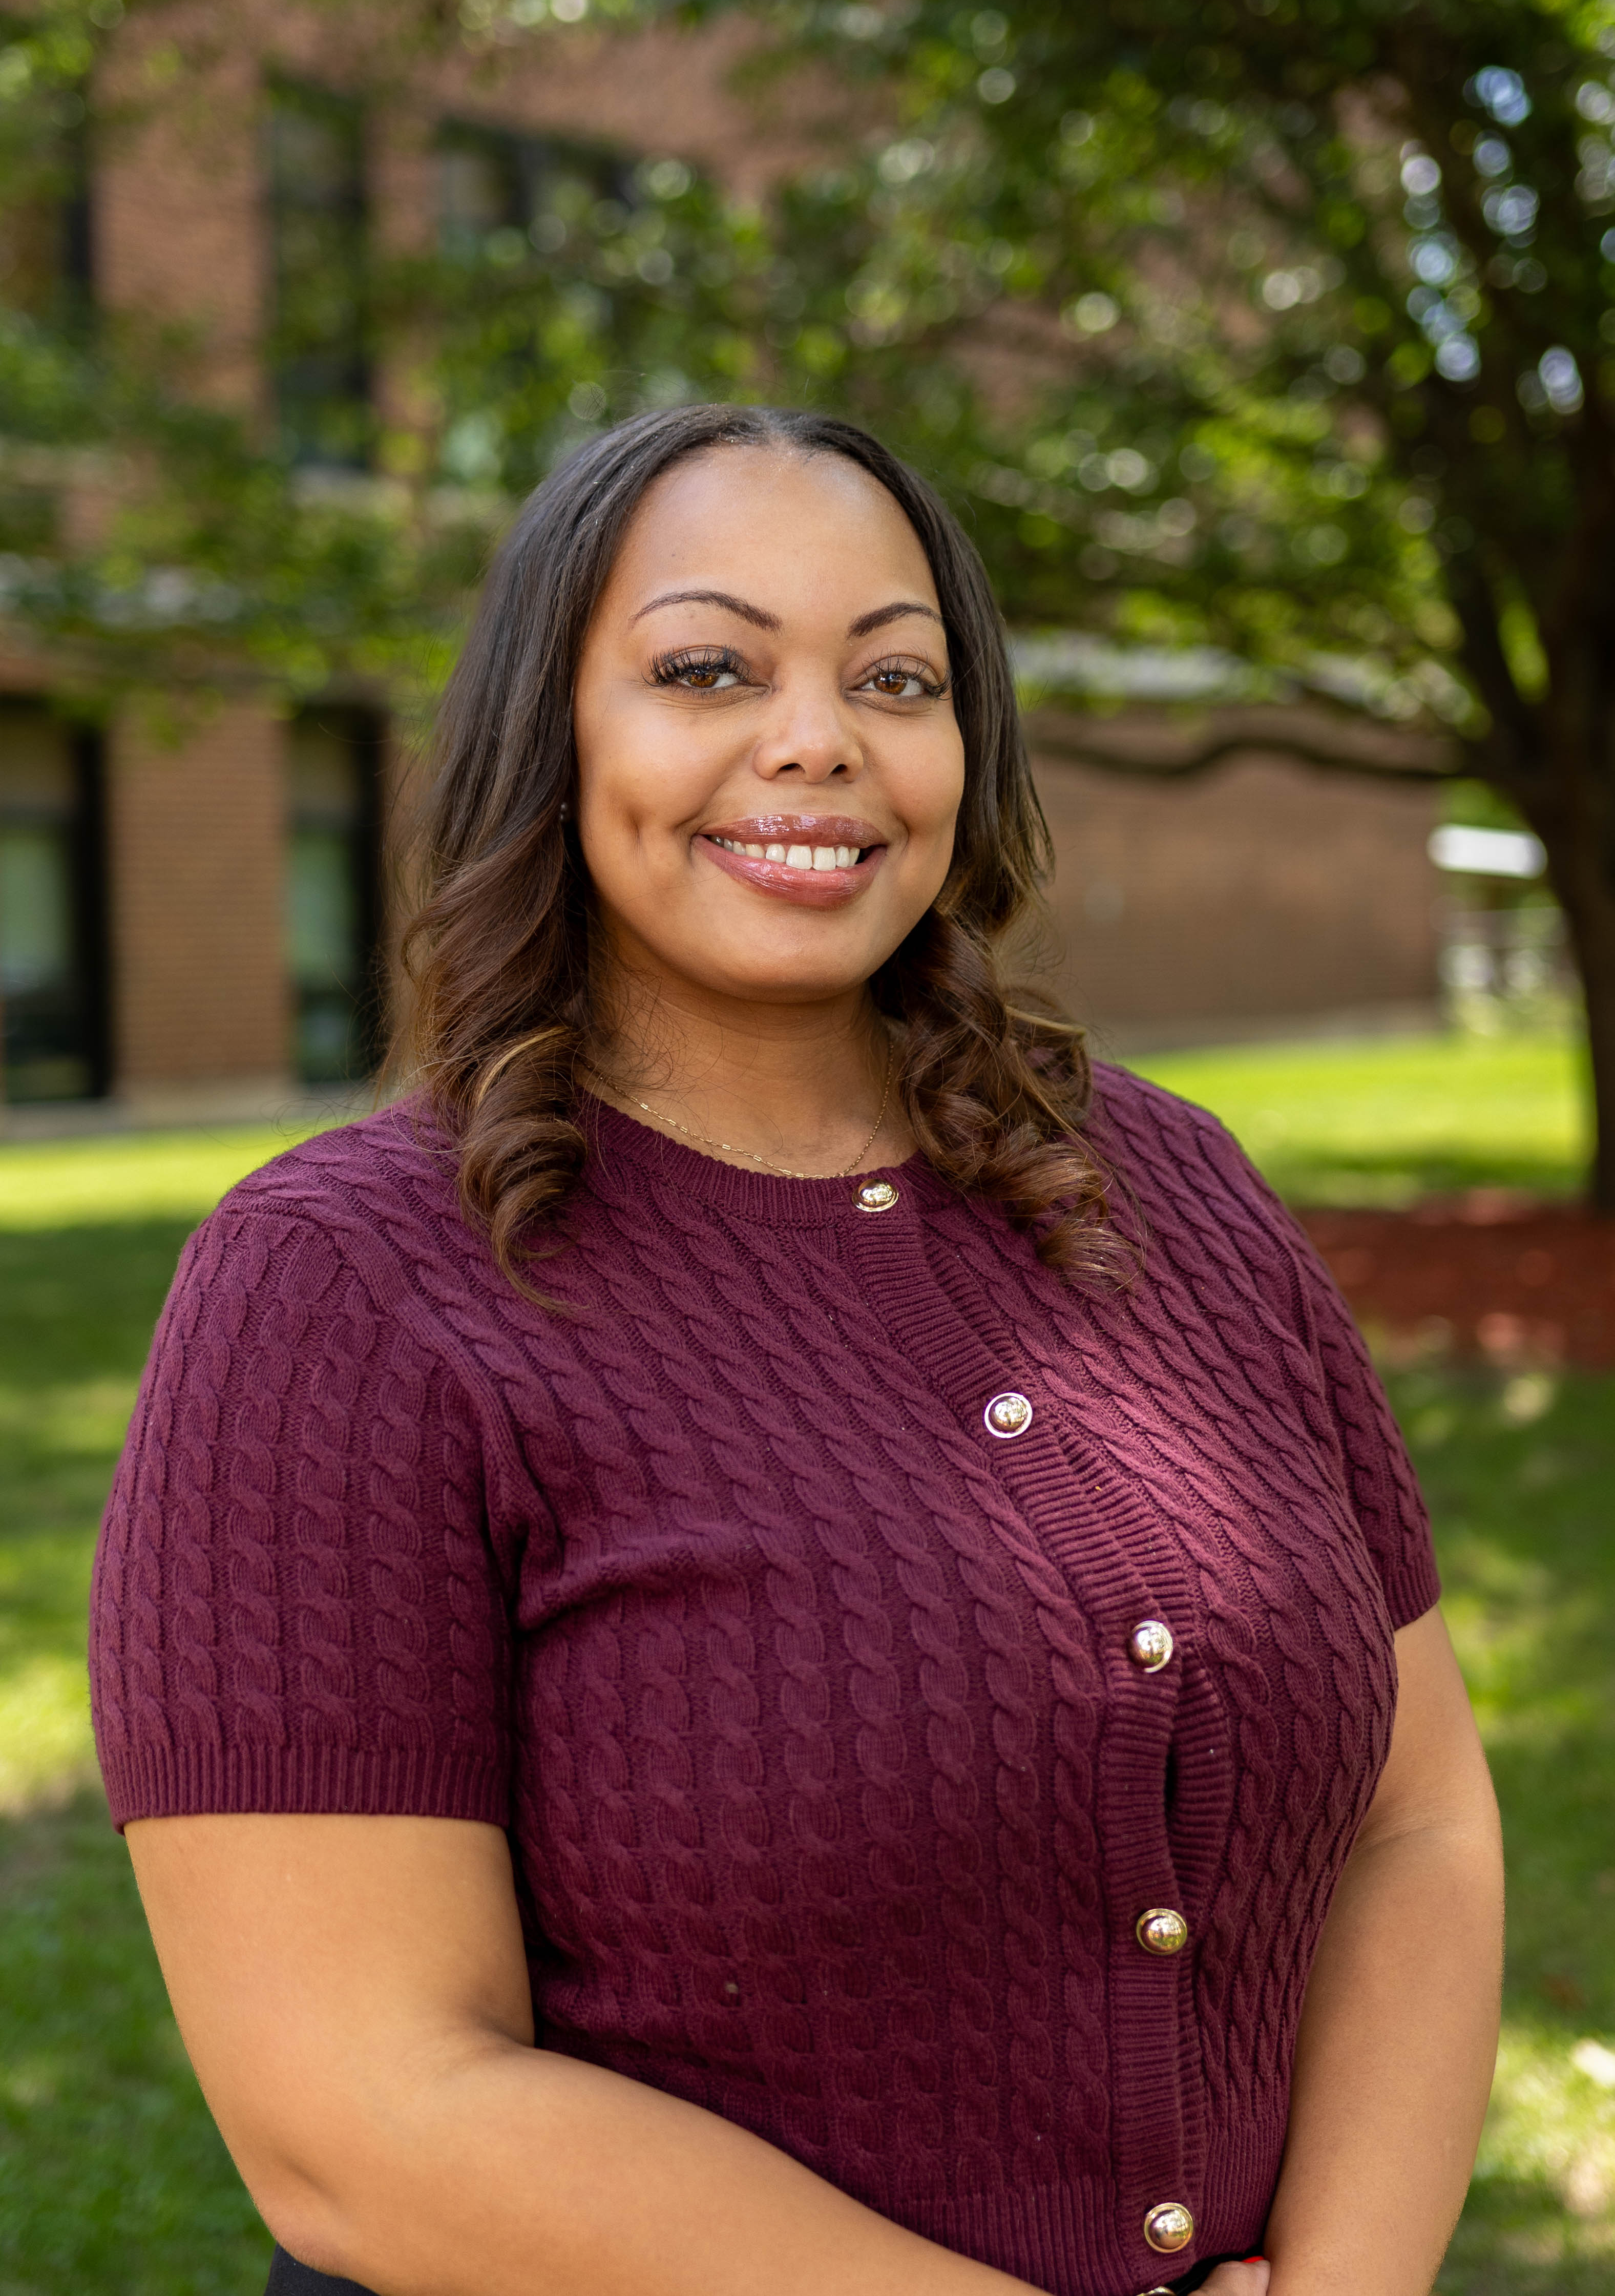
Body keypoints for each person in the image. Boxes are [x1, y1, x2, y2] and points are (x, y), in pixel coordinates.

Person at [90, 404, 1503, 2296]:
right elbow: (364, 2113)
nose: (818, 736)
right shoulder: (341, 1287)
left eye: (896, 675)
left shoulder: (1166, 1182)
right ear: (554, 733)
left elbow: (1416, 1817)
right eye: (705, 666)